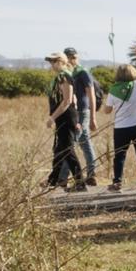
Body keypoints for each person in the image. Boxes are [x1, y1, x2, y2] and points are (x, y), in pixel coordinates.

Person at [103, 62, 136, 194]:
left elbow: (107, 110)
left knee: (119, 156)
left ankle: (117, 182)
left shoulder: (114, 89)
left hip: (122, 127)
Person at [45, 52, 88, 191]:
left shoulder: (64, 76)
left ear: (61, 62)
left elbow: (67, 100)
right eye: (51, 62)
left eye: (54, 61)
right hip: (64, 117)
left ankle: (80, 183)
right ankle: (53, 180)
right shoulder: (60, 77)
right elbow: (73, 99)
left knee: (68, 150)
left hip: (66, 117)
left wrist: (52, 117)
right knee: (59, 150)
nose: (52, 65)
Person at [64, 48, 98, 177]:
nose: (71, 59)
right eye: (69, 57)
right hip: (73, 110)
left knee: (71, 143)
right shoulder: (69, 73)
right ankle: (92, 174)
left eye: (73, 57)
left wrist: (93, 118)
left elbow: (91, 95)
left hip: (82, 111)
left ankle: (62, 177)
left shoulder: (83, 72)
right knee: (85, 142)